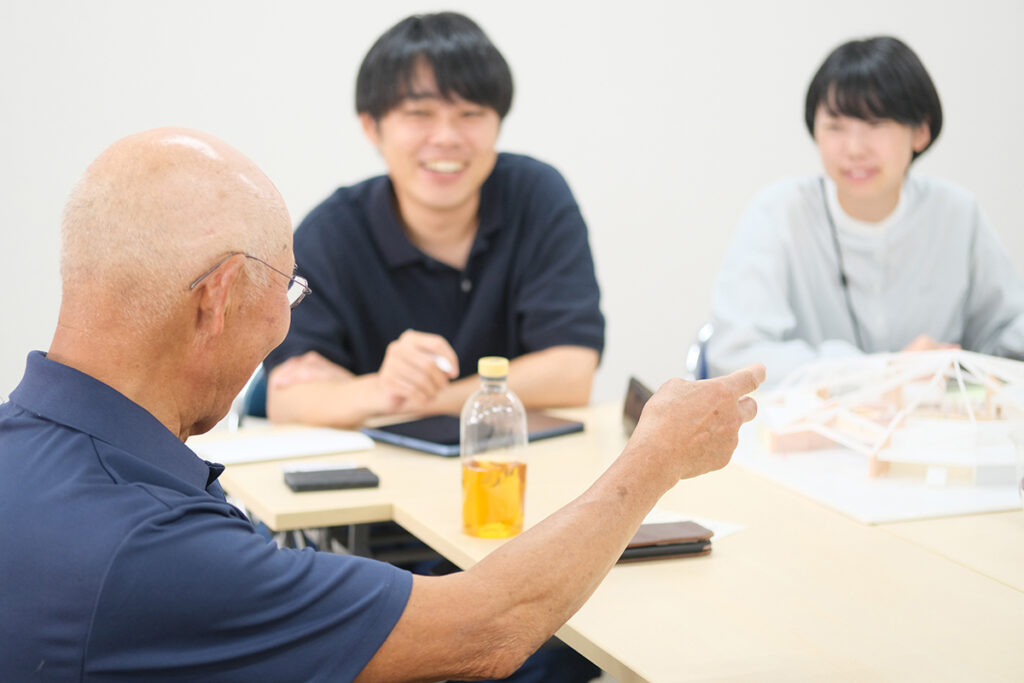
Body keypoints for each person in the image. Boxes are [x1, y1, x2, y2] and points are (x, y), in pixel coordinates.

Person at [0, 127, 764, 681]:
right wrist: (655, 456)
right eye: (289, 288)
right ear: (220, 298)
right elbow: (488, 631)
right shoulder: (157, 550)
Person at [264, 12, 604, 428]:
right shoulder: (330, 234)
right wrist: (382, 387)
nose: (446, 137)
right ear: (372, 127)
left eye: (470, 113)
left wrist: (412, 399)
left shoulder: (537, 196)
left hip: (513, 464)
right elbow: (288, 401)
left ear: (498, 123)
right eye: (419, 114)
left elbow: (571, 374)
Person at [707, 36, 1024, 384]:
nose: (855, 149)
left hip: (940, 430)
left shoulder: (957, 215)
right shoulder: (779, 213)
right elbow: (736, 355)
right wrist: (884, 373)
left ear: (920, 131)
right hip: (813, 434)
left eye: (876, 125)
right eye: (835, 127)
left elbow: (1008, 339)